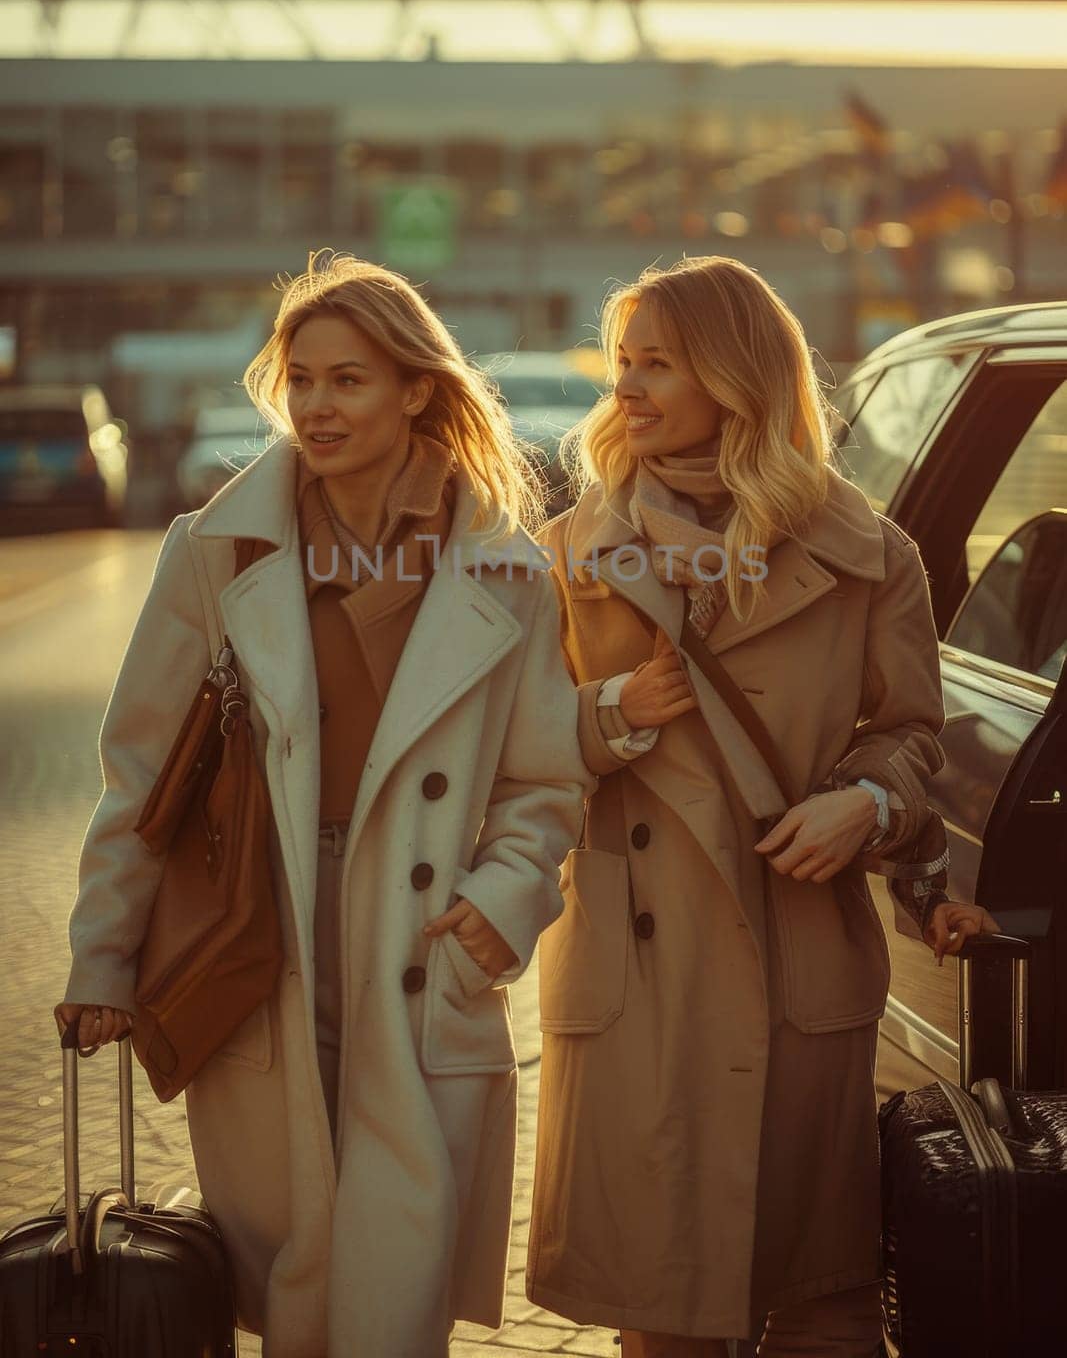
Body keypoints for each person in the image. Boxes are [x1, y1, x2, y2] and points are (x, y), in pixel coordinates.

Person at [54, 253, 591, 1358]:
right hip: (262, 922)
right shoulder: (214, 550)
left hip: (425, 929)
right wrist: (103, 958)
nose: (316, 405)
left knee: (397, 1277)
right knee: (296, 1264)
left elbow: (543, 779)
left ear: (414, 388)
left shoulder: (504, 568)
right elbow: (142, 772)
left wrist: (505, 898)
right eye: (299, 379)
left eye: (348, 379)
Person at [525, 256, 989, 1358]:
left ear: (735, 378)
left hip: (798, 958)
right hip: (638, 980)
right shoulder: (566, 555)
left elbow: (912, 734)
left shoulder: (869, 555)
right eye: (621, 363)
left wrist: (867, 804)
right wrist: (608, 713)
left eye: (655, 364)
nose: (623, 388)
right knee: (665, 1313)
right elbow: (507, 748)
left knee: (820, 1304)